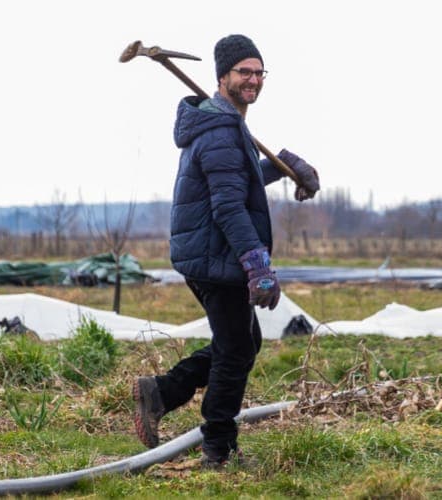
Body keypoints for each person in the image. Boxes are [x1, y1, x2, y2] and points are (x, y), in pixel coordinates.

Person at [131, 34, 321, 469]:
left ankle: (162, 392)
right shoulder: (220, 130)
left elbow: (238, 178)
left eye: (259, 72)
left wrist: (283, 164)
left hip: (207, 252)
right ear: (222, 78)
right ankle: (218, 449)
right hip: (217, 258)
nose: (253, 80)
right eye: (244, 72)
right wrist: (258, 265)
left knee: (241, 341)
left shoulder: (226, 126)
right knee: (236, 349)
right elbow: (229, 205)